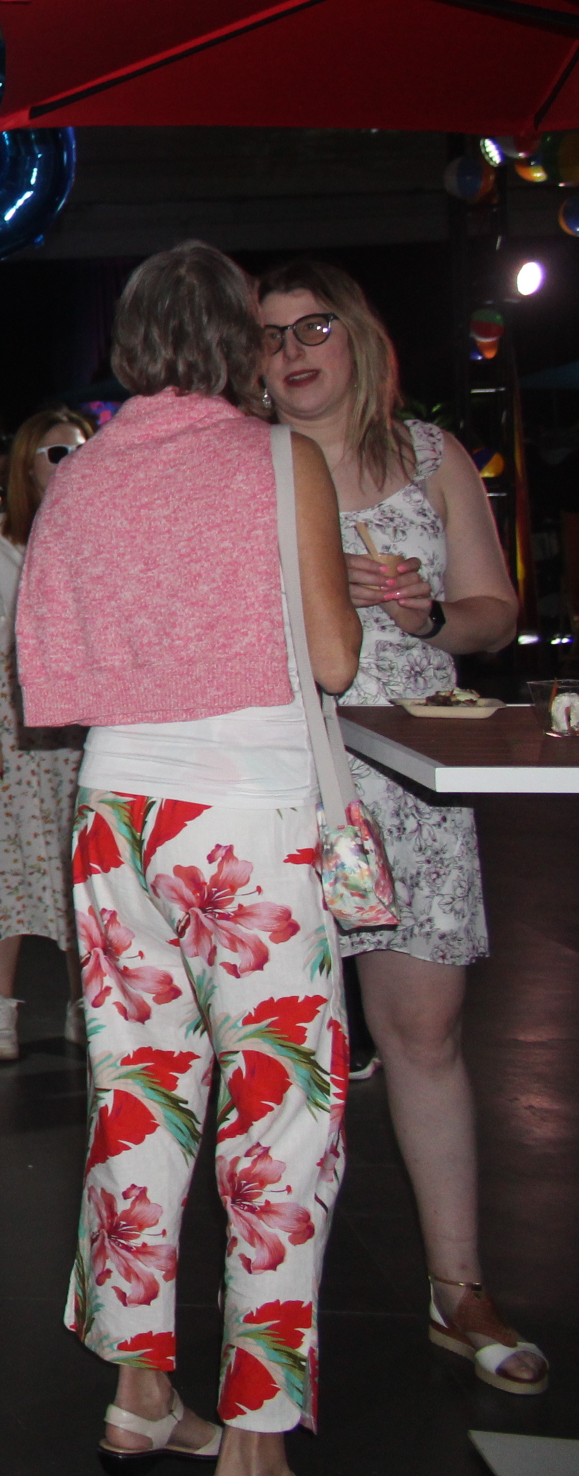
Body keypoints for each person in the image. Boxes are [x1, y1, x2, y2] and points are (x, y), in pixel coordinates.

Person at [20, 240, 358, 1475]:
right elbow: (334, 658)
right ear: (238, 340)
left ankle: (139, 1390)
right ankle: (255, 1432)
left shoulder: (82, 476)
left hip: (117, 811)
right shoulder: (280, 459)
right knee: (280, 1116)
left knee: (140, 1095)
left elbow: (47, 664)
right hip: (246, 814)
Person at [255, 258, 546, 1395]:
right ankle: (266, 1304)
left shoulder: (431, 456)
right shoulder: (245, 462)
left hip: (413, 775)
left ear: (359, 336)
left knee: (425, 1033)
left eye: (313, 326)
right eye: (271, 334)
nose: (292, 350)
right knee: (275, 1047)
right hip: (283, 771)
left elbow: (493, 613)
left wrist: (428, 612)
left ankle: (457, 1285)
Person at [0, 406, 93, 1062]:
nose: (72, 463)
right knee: (4, 861)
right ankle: (1, 1010)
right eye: (59, 453)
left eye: (82, 450)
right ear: (29, 465)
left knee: (80, 867)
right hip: (17, 721)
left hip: (82, 725)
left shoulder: (98, 536)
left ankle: (81, 1002)